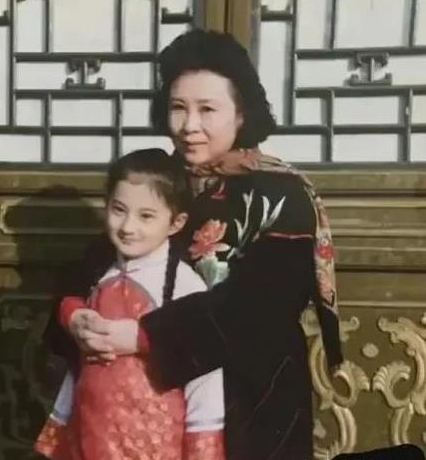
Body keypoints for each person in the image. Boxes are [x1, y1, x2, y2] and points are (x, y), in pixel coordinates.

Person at [44, 29, 343, 460]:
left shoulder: (283, 195)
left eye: (207, 109)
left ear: (241, 113)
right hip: (136, 412)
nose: (189, 126)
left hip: (249, 398)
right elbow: (91, 271)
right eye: (178, 108)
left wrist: (143, 336)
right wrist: (77, 319)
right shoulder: (158, 182)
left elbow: (262, 309)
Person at [35, 148, 226, 459]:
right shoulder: (99, 274)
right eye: (119, 210)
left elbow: (204, 378)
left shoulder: (185, 286)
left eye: (146, 216)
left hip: (156, 443)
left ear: (176, 223)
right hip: (91, 432)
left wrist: (203, 450)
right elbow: (79, 364)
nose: (127, 227)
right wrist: (60, 424)